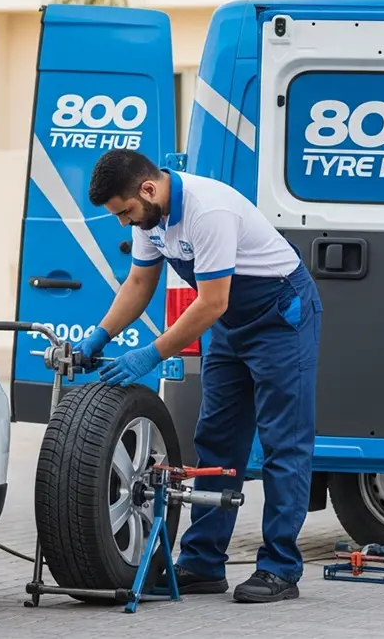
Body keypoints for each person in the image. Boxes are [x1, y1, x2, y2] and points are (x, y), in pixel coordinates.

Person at [76, 148, 322, 604]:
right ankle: (204, 562)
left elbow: (211, 302)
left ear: (148, 189)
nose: (124, 223)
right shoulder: (152, 218)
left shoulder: (208, 212)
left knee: (283, 443)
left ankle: (280, 569)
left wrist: (150, 354)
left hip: (280, 317)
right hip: (232, 323)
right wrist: (100, 335)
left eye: (125, 211)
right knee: (217, 439)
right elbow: (138, 284)